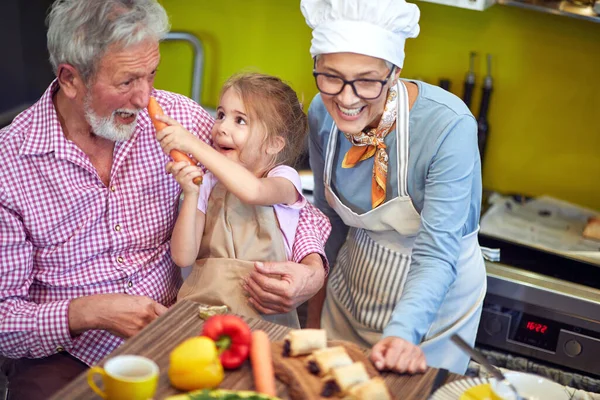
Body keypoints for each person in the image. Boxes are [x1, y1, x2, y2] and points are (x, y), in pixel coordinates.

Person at [0, 1, 330, 398]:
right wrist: (89, 312)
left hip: (181, 329)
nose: (146, 98)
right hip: (68, 353)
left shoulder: (179, 119)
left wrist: (311, 269)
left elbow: (272, 189)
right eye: (126, 82)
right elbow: (5, 321)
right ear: (70, 79)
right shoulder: (10, 165)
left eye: (151, 74)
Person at [301, 0, 488, 375]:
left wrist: (404, 334)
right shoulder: (321, 116)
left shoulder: (448, 126)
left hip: (434, 311)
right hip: (352, 289)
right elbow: (326, 224)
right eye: (331, 77)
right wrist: (312, 311)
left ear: (395, 71)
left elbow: (436, 254)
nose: (347, 98)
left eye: (368, 81)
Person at [155, 72, 327, 328]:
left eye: (240, 121)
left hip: (265, 318)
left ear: (273, 144)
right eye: (221, 115)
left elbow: (254, 192)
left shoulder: (283, 180)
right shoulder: (207, 183)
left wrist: (192, 144)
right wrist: (191, 194)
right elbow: (183, 257)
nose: (222, 127)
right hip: (201, 312)